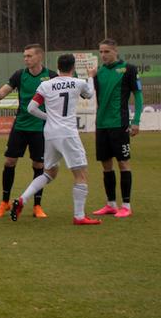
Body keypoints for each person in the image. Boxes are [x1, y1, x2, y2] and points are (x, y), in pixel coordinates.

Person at [10, 54, 100, 225]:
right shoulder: (78, 82)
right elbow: (89, 95)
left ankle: (22, 199)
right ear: (73, 68)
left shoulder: (46, 84)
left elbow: (31, 108)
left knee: (49, 173)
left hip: (50, 133)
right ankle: (79, 216)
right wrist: (90, 77)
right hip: (68, 133)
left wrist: (48, 118)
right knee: (81, 174)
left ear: (58, 67)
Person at [0, 45, 56, 218]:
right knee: (10, 162)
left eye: (29, 56)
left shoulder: (51, 76)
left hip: (40, 129)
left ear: (39, 57)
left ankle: (37, 206)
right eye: (24, 56)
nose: (26, 59)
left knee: (39, 166)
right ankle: (4, 202)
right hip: (20, 126)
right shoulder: (19, 75)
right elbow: (0, 95)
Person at [92, 38, 143, 217]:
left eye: (107, 51)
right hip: (101, 125)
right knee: (106, 165)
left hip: (119, 124)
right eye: (101, 52)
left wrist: (136, 121)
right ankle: (111, 204)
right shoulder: (98, 72)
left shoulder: (128, 69)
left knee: (123, 163)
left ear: (115, 51)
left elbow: (138, 96)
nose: (103, 55)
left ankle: (126, 206)